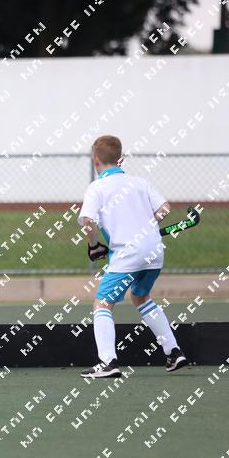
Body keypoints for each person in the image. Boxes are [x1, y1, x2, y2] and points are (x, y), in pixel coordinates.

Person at [78, 135, 188, 379]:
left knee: (102, 304)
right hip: (154, 251)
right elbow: (165, 208)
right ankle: (173, 351)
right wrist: (148, 224)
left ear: (96, 160)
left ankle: (108, 362)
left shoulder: (97, 187)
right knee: (140, 296)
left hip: (128, 254)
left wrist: (94, 245)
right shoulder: (139, 182)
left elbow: (87, 221)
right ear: (120, 158)